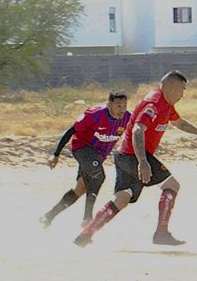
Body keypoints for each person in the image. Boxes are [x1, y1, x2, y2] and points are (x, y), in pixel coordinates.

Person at [73, 71, 197, 247]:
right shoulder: (154, 103)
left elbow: (180, 123)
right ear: (171, 87)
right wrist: (143, 162)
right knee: (172, 185)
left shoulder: (166, 104)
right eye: (181, 89)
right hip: (133, 155)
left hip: (123, 155)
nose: (182, 94)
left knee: (122, 199)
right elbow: (137, 130)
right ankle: (161, 233)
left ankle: (84, 235)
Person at [40, 92, 131, 228]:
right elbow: (71, 130)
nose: (122, 109)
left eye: (124, 105)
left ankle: (48, 216)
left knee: (80, 189)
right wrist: (56, 154)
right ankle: (87, 218)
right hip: (82, 148)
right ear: (109, 104)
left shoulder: (127, 118)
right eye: (118, 106)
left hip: (99, 156)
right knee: (98, 176)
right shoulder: (95, 114)